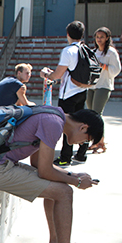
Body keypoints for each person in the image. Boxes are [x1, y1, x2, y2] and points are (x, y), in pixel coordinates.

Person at [0, 108, 103, 243]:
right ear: (83, 127)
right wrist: (77, 181)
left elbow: (38, 163)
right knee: (64, 192)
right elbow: (44, 171)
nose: (82, 144)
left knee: (58, 184)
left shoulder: (51, 116)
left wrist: (72, 175)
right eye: (87, 139)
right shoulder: (54, 123)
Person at [41, 21, 90, 166]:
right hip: (82, 90)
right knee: (81, 123)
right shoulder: (86, 49)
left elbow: (58, 74)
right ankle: (81, 154)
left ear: (68, 34)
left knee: (67, 126)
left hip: (68, 94)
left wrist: (46, 75)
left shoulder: (68, 51)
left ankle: (65, 157)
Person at [86, 27, 121, 154]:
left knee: (97, 113)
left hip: (104, 85)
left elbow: (116, 69)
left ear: (107, 38)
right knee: (91, 113)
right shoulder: (94, 52)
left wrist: (104, 66)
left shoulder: (111, 52)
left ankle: (99, 142)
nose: (99, 39)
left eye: (101, 37)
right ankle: (96, 140)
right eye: (97, 37)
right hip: (92, 85)